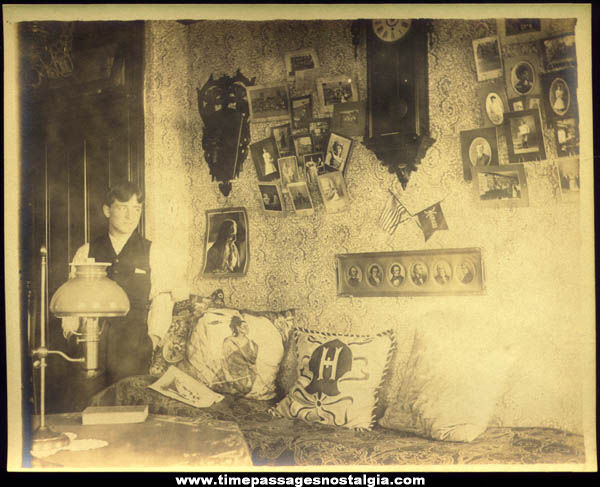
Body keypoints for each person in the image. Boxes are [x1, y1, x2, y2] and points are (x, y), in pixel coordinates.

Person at [61, 181, 185, 386]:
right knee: (89, 407)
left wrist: (152, 339)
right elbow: (70, 300)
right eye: (123, 208)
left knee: (128, 406)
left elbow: (162, 301)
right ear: (107, 211)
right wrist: (72, 334)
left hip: (133, 347)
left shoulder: (153, 252)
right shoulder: (87, 251)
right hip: (91, 345)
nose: (131, 216)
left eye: (136, 209)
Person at [212, 316, 258, 396]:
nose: (247, 328)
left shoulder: (248, 341)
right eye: (244, 327)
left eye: (247, 326)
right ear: (238, 328)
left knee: (245, 390)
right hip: (231, 373)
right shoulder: (229, 341)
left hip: (244, 374)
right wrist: (227, 375)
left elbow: (250, 361)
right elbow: (223, 359)